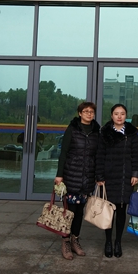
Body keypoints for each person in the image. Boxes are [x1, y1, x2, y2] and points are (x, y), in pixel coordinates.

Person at [54, 102, 101, 260]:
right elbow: (64, 153)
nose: (89, 114)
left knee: (80, 212)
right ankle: (65, 242)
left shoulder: (96, 131)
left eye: (91, 111)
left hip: (87, 178)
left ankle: (75, 240)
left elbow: (97, 155)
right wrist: (59, 175)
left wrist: (98, 176)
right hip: (71, 175)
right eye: (85, 111)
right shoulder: (72, 130)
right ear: (80, 113)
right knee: (69, 212)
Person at [96, 104, 138, 258]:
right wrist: (99, 177)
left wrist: (135, 174)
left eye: (122, 114)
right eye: (116, 114)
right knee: (108, 212)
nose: (119, 116)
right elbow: (99, 155)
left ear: (126, 116)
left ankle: (118, 242)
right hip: (108, 178)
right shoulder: (105, 133)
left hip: (125, 177)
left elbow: (136, 155)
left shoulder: (131, 133)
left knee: (121, 210)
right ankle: (108, 241)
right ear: (112, 116)